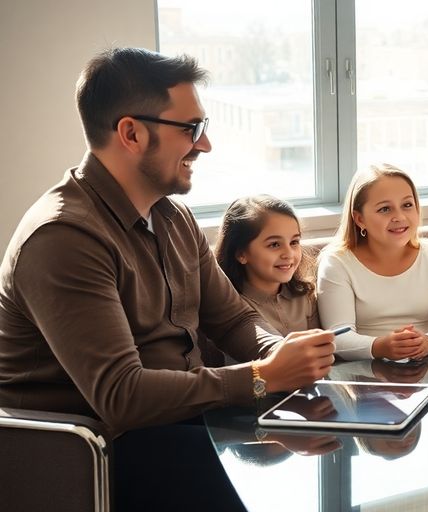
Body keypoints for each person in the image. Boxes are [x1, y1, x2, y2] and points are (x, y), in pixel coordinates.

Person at [0, 48, 336, 511]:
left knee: (324, 438)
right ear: (131, 133)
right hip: (99, 450)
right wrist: (262, 377)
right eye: (191, 129)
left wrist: (279, 355)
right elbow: (123, 397)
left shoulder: (174, 218)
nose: (204, 145)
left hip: (180, 420)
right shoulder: (64, 238)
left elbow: (234, 319)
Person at [317, 164, 428, 361]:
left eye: (407, 205)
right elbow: (338, 338)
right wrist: (379, 347)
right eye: (385, 209)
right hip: (363, 374)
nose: (399, 217)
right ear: (360, 219)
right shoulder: (336, 263)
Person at [215, 194, 320, 336]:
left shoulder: (306, 295)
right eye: (274, 244)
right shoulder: (231, 308)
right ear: (241, 254)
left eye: (294, 242)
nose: (288, 254)